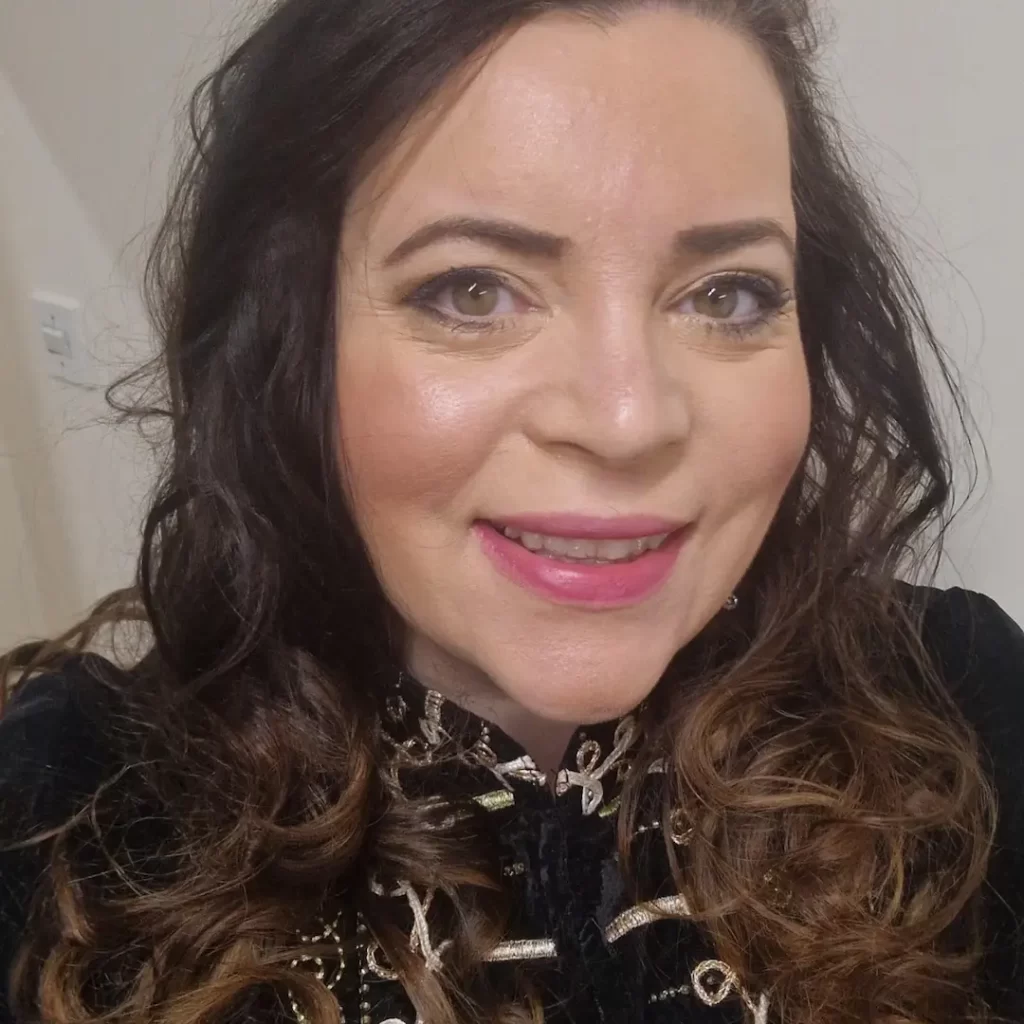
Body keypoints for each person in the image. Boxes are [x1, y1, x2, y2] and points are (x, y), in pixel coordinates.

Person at [1, 0, 1022, 1022]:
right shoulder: (64, 811)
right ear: (290, 343)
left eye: (726, 295)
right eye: (472, 291)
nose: (627, 422)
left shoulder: (960, 707)